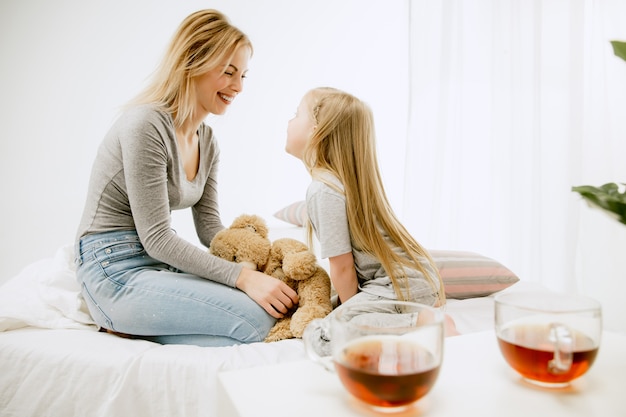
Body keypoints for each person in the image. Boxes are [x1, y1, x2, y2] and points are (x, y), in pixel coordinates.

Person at [75, 9, 298, 347]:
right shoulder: (145, 126)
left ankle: (136, 328)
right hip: (111, 269)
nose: (238, 86)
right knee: (256, 321)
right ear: (193, 62)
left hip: (156, 265)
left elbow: (209, 228)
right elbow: (158, 238)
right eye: (228, 72)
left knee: (274, 310)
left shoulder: (206, 141)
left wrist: (261, 263)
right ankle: (124, 320)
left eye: (243, 76)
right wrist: (241, 278)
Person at [285, 87, 459, 350]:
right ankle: (416, 318)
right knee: (328, 311)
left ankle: (422, 322)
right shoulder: (342, 183)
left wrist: (349, 316)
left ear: (316, 131)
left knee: (321, 338)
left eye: (296, 114)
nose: (289, 121)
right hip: (412, 281)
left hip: (397, 285)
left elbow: (343, 269)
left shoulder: (323, 189)